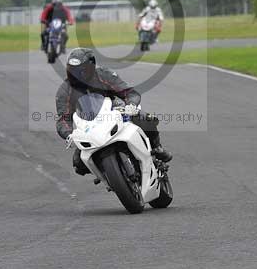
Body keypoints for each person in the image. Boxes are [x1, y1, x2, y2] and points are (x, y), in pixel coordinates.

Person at [55, 47, 172, 176]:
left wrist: (131, 105)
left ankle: (157, 147)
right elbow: (63, 118)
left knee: (145, 118)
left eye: (81, 71)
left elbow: (129, 92)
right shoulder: (64, 91)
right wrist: (69, 135)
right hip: (88, 125)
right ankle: (108, 174)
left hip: (114, 111)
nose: (76, 75)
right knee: (78, 164)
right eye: (72, 71)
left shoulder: (104, 75)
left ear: (91, 67)